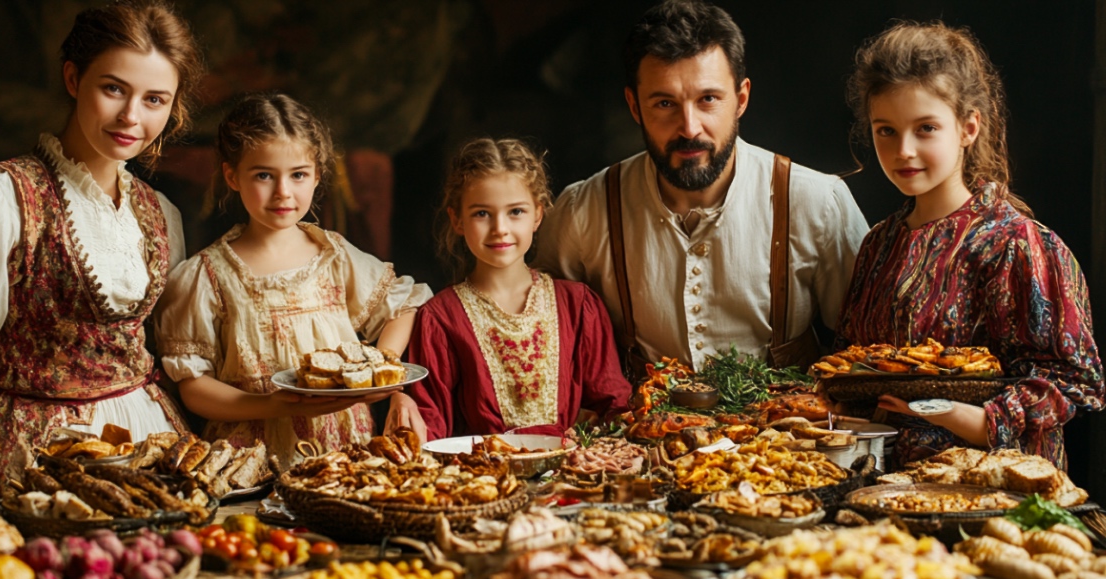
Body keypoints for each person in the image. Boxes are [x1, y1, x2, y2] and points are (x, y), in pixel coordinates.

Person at [0, 0, 205, 507]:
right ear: (73, 79)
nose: (132, 117)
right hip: (29, 458)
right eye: (113, 88)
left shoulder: (162, 214)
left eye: (155, 99)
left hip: (150, 444)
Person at [535, 0, 868, 375]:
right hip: (640, 429)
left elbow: (871, 350)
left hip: (787, 430)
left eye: (708, 99)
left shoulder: (818, 203)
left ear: (741, 99)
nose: (689, 127)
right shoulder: (583, 211)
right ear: (634, 106)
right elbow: (539, 341)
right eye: (664, 103)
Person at [837, 21, 1104, 470]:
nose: (903, 150)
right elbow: (854, 362)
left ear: (968, 127)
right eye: (886, 130)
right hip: (883, 491)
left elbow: (1075, 380)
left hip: (992, 489)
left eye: (925, 128)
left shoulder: (1016, 243)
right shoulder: (878, 244)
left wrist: (960, 415)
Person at [155, 92, 431, 469]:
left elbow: (402, 305)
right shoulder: (208, 275)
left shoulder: (334, 255)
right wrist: (268, 405)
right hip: (251, 453)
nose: (283, 192)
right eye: (264, 175)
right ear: (232, 176)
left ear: (317, 175)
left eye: (298, 175)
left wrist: (381, 370)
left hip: (342, 449)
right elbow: (193, 385)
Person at [408, 138, 632, 441]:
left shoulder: (577, 305)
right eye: (482, 214)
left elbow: (614, 405)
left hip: (576, 479)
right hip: (480, 482)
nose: (500, 227)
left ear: (538, 215)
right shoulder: (441, 319)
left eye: (516, 212)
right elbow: (431, 429)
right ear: (457, 220)